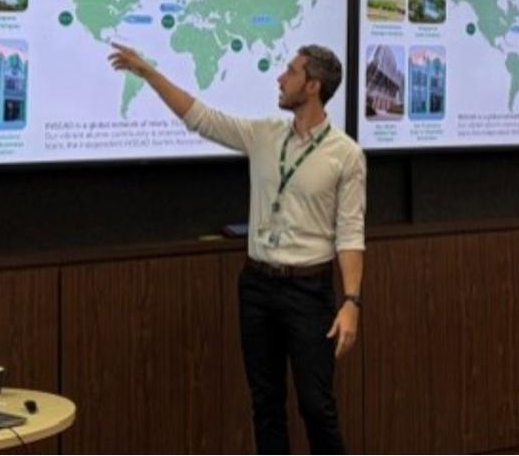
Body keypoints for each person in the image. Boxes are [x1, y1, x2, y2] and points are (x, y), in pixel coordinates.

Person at [108, 41, 365, 454]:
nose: (280, 78)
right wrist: (149, 73)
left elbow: (350, 233)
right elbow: (201, 118)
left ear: (313, 85)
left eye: (291, 71)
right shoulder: (264, 135)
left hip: (308, 292)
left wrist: (351, 301)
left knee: (317, 406)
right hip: (258, 286)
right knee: (265, 404)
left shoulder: (346, 155)